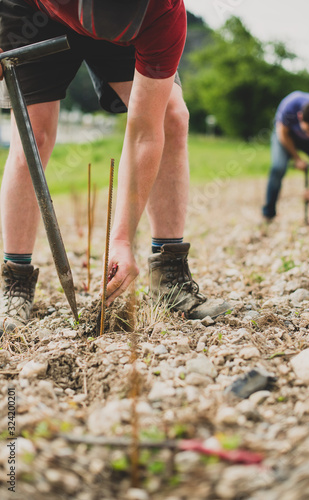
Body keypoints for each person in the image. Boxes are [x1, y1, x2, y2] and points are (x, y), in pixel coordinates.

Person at [0, 0, 231, 334]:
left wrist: (122, 239)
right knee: (32, 133)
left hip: (134, 28)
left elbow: (144, 134)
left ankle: (169, 276)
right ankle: (15, 280)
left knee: (171, 118)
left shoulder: (162, 13)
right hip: (33, 13)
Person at [262, 90, 309, 221]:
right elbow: (282, 133)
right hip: (286, 137)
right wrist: (297, 158)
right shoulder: (290, 105)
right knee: (278, 167)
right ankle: (268, 213)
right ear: (300, 117)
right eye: (308, 130)